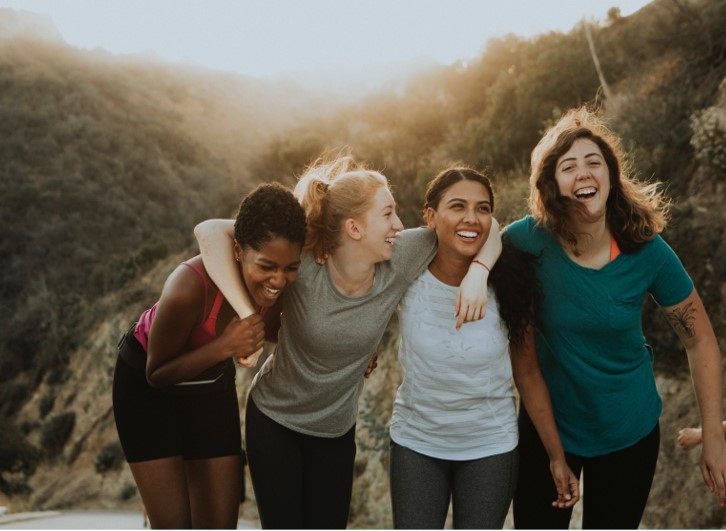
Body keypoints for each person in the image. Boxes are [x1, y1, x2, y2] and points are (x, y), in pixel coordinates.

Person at [195, 155, 501, 529]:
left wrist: (478, 273)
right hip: (275, 421)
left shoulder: (402, 256)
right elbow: (209, 231)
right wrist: (248, 316)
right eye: (387, 214)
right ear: (354, 228)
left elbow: (487, 226)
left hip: (335, 431)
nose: (399, 224)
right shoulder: (305, 262)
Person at [507, 108, 726, 529]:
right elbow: (477, 241)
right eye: (568, 167)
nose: (584, 173)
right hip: (549, 426)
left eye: (594, 162)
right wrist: (479, 272)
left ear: (610, 175)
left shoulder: (646, 249)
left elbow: (700, 340)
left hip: (628, 430)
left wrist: (713, 438)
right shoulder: (527, 241)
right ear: (551, 184)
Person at [389, 167, 579, 529]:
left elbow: (527, 373)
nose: (471, 218)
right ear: (430, 216)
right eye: (457, 206)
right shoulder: (407, 271)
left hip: (490, 447)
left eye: (482, 208)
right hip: (416, 442)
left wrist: (556, 456)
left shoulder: (511, 282)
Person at [112, 183, 306, 529]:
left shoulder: (279, 291)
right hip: (146, 389)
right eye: (266, 266)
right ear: (238, 250)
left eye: (290, 267)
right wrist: (225, 346)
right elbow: (156, 373)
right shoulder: (188, 287)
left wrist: (355, 352)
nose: (278, 280)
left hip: (210, 386)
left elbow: (292, 332)